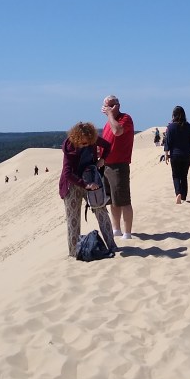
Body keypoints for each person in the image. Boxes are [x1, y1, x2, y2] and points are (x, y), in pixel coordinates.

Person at [59, 122, 117, 257]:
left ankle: (112, 246)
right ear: (76, 138)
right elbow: (67, 173)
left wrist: (103, 159)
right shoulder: (69, 146)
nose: (85, 145)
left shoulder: (93, 139)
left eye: (88, 143)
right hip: (72, 184)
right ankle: (74, 253)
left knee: (101, 211)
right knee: (73, 219)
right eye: (83, 143)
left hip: (90, 179)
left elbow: (108, 146)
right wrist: (84, 185)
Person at [101, 95, 135, 240]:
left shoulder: (125, 118)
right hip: (107, 166)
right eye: (105, 105)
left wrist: (110, 114)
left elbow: (117, 131)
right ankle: (116, 229)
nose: (107, 108)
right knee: (113, 200)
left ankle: (127, 233)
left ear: (117, 106)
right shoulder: (108, 123)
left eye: (110, 105)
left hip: (119, 166)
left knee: (123, 200)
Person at [164, 105, 190, 204]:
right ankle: (183, 196)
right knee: (184, 176)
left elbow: (167, 142)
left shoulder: (170, 127)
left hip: (175, 155)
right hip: (187, 155)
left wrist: (166, 154)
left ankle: (178, 193)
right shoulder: (188, 126)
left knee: (176, 175)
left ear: (173, 115)